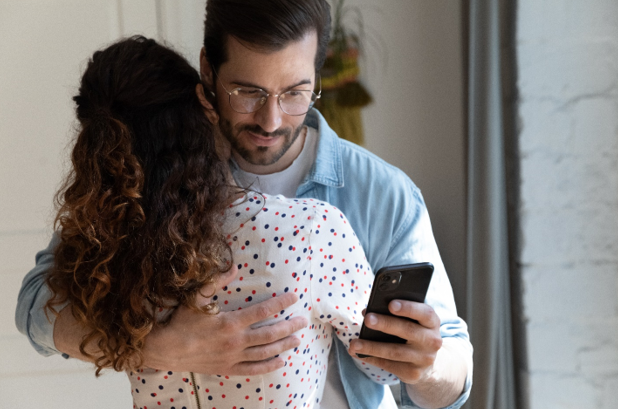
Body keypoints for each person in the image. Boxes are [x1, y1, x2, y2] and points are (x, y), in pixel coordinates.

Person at [16, 1, 473, 408]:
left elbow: (452, 377)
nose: (271, 120)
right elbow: (36, 307)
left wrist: (427, 367)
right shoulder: (151, 180)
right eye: (248, 92)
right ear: (207, 73)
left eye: (295, 93)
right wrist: (158, 346)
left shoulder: (382, 193)